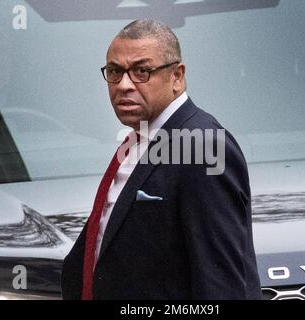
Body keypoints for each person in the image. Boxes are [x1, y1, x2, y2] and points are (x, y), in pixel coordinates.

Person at [61, 19, 262, 300]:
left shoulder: (203, 145)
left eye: (142, 71)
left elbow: (221, 284)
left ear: (177, 77)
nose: (124, 85)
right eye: (115, 72)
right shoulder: (139, 140)